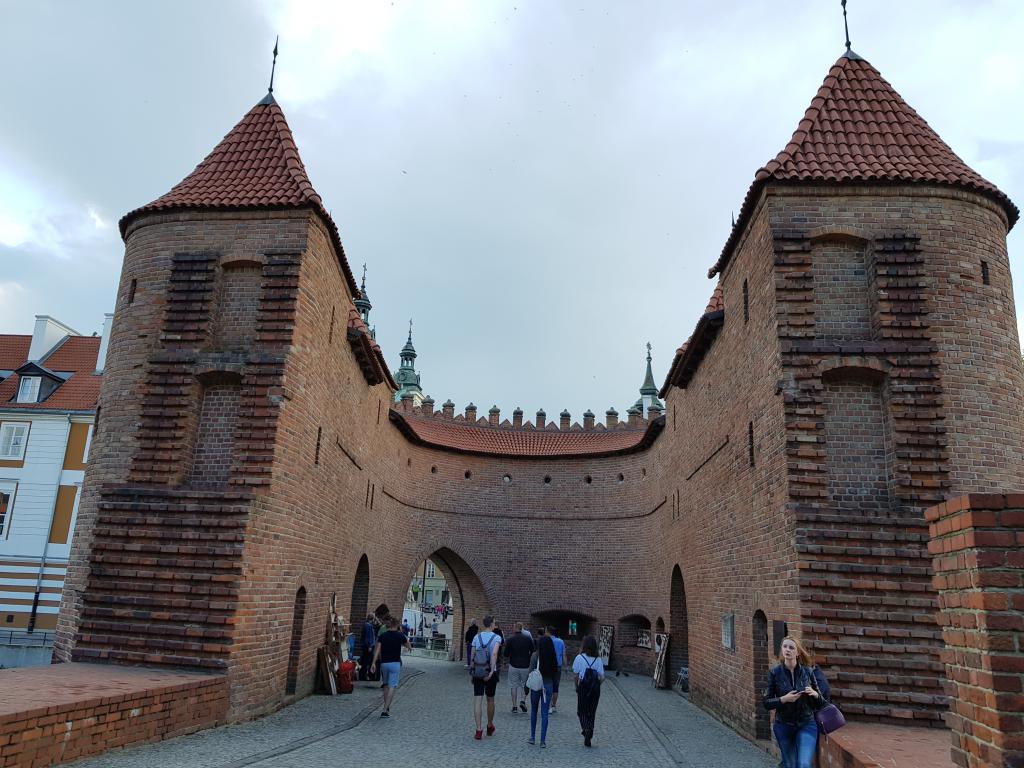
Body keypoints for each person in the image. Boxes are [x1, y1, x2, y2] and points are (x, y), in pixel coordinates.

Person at [763, 636, 831, 768]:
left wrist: (815, 694)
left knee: (804, 764)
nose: (787, 650)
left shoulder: (808, 672)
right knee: (790, 764)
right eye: (785, 646)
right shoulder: (774, 673)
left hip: (806, 724)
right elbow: (766, 702)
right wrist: (784, 699)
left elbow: (823, 704)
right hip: (783, 725)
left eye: (791, 647)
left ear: (798, 652)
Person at [370, 617, 412, 718]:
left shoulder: (383, 636)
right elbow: (409, 646)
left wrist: (373, 663)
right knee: (392, 686)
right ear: (397, 625)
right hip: (395, 663)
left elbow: (377, 650)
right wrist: (403, 638)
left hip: (384, 664)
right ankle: (385, 709)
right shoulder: (400, 635)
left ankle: (386, 706)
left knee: (385, 685)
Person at [470, 615, 502, 740]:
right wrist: (491, 672)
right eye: (495, 622)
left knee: (478, 700)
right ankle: (489, 725)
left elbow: (472, 654)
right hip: (489, 671)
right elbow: (494, 654)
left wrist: (472, 670)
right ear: (492, 624)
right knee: (490, 700)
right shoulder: (497, 637)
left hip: (478, 671)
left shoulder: (476, 637)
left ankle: (478, 730)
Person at [527, 627, 558, 747]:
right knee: (545, 712)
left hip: (536, 685)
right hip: (548, 684)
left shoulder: (535, 655)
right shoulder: (552, 657)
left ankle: (532, 737)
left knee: (534, 711)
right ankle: (543, 741)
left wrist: (526, 688)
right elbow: (555, 673)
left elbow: (530, 672)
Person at [572, 635, 605, 747]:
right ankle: (590, 730)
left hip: (583, 686)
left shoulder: (579, 657)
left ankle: (586, 729)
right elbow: (602, 677)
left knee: (581, 710)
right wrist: (596, 684)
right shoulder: (598, 659)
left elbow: (576, 675)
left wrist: (577, 686)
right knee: (592, 711)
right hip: (595, 688)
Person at [505, 622, 535, 714]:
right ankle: (522, 701)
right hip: (525, 665)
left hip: (513, 665)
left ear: (515, 629)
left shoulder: (510, 639)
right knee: (524, 685)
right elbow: (533, 651)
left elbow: (506, 654)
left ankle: (514, 706)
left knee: (513, 685)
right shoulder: (528, 639)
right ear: (522, 629)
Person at [548, 627, 567, 713]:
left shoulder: (547, 640)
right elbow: (564, 655)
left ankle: (547, 704)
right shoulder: (561, 641)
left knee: (547, 684)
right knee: (555, 686)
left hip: (548, 666)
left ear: (548, 632)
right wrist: (566, 666)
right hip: (558, 666)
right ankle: (553, 705)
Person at [359, 614, 377, 681]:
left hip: (365, 646)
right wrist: (370, 646)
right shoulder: (368, 626)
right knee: (367, 661)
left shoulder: (365, 625)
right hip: (368, 646)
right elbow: (369, 637)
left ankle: (363, 675)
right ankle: (364, 676)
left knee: (364, 660)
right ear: (372, 619)